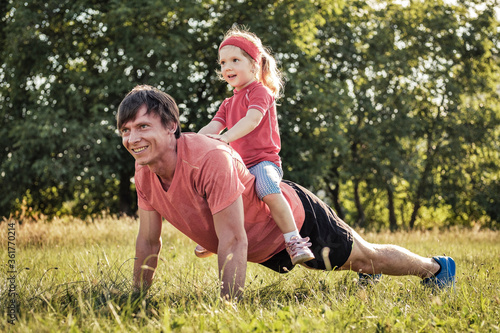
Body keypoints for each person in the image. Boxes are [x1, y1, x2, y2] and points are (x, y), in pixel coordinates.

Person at [116, 85, 456, 300]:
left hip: (296, 222)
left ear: (171, 126)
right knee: (354, 264)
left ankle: (436, 269)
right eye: (126, 130)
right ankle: (371, 271)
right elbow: (148, 241)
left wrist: (226, 310)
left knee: (366, 258)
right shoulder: (144, 171)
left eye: (143, 127)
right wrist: (136, 299)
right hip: (264, 249)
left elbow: (234, 240)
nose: (133, 139)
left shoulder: (209, 158)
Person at [196, 27, 314, 265]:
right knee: (210, 191)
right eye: (223, 62)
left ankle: (293, 240)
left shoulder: (260, 92)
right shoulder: (228, 103)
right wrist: (190, 142)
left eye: (235, 60)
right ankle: (212, 238)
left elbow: (252, 120)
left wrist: (226, 138)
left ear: (254, 65)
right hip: (237, 164)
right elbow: (211, 128)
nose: (227, 67)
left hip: (263, 162)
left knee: (268, 187)